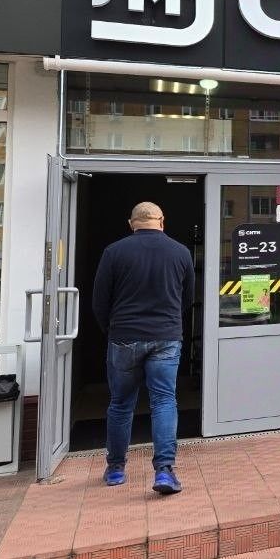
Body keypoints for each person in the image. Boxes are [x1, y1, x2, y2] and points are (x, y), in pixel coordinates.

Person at [92, 201, 194, 494]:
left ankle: (115, 469)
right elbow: (187, 298)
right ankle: (164, 471)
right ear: (162, 220)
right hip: (166, 337)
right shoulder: (180, 252)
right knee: (164, 401)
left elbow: (99, 300)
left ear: (131, 223)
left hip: (124, 336)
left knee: (121, 403)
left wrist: (112, 330)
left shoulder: (114, 252)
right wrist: (168, 324)